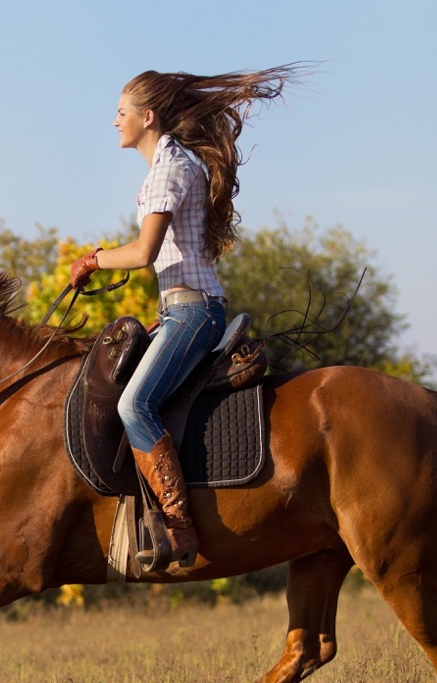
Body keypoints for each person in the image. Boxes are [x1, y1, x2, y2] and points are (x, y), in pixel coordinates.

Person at [70, 67, 302, 572]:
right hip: (180, 309)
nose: (114, 122)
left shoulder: (169, 169)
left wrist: (92, 260)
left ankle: (177, 524)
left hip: (193, 311)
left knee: (135, 406)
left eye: (121, 112)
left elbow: (143, 252)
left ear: (146, 117)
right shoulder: (173, 165)